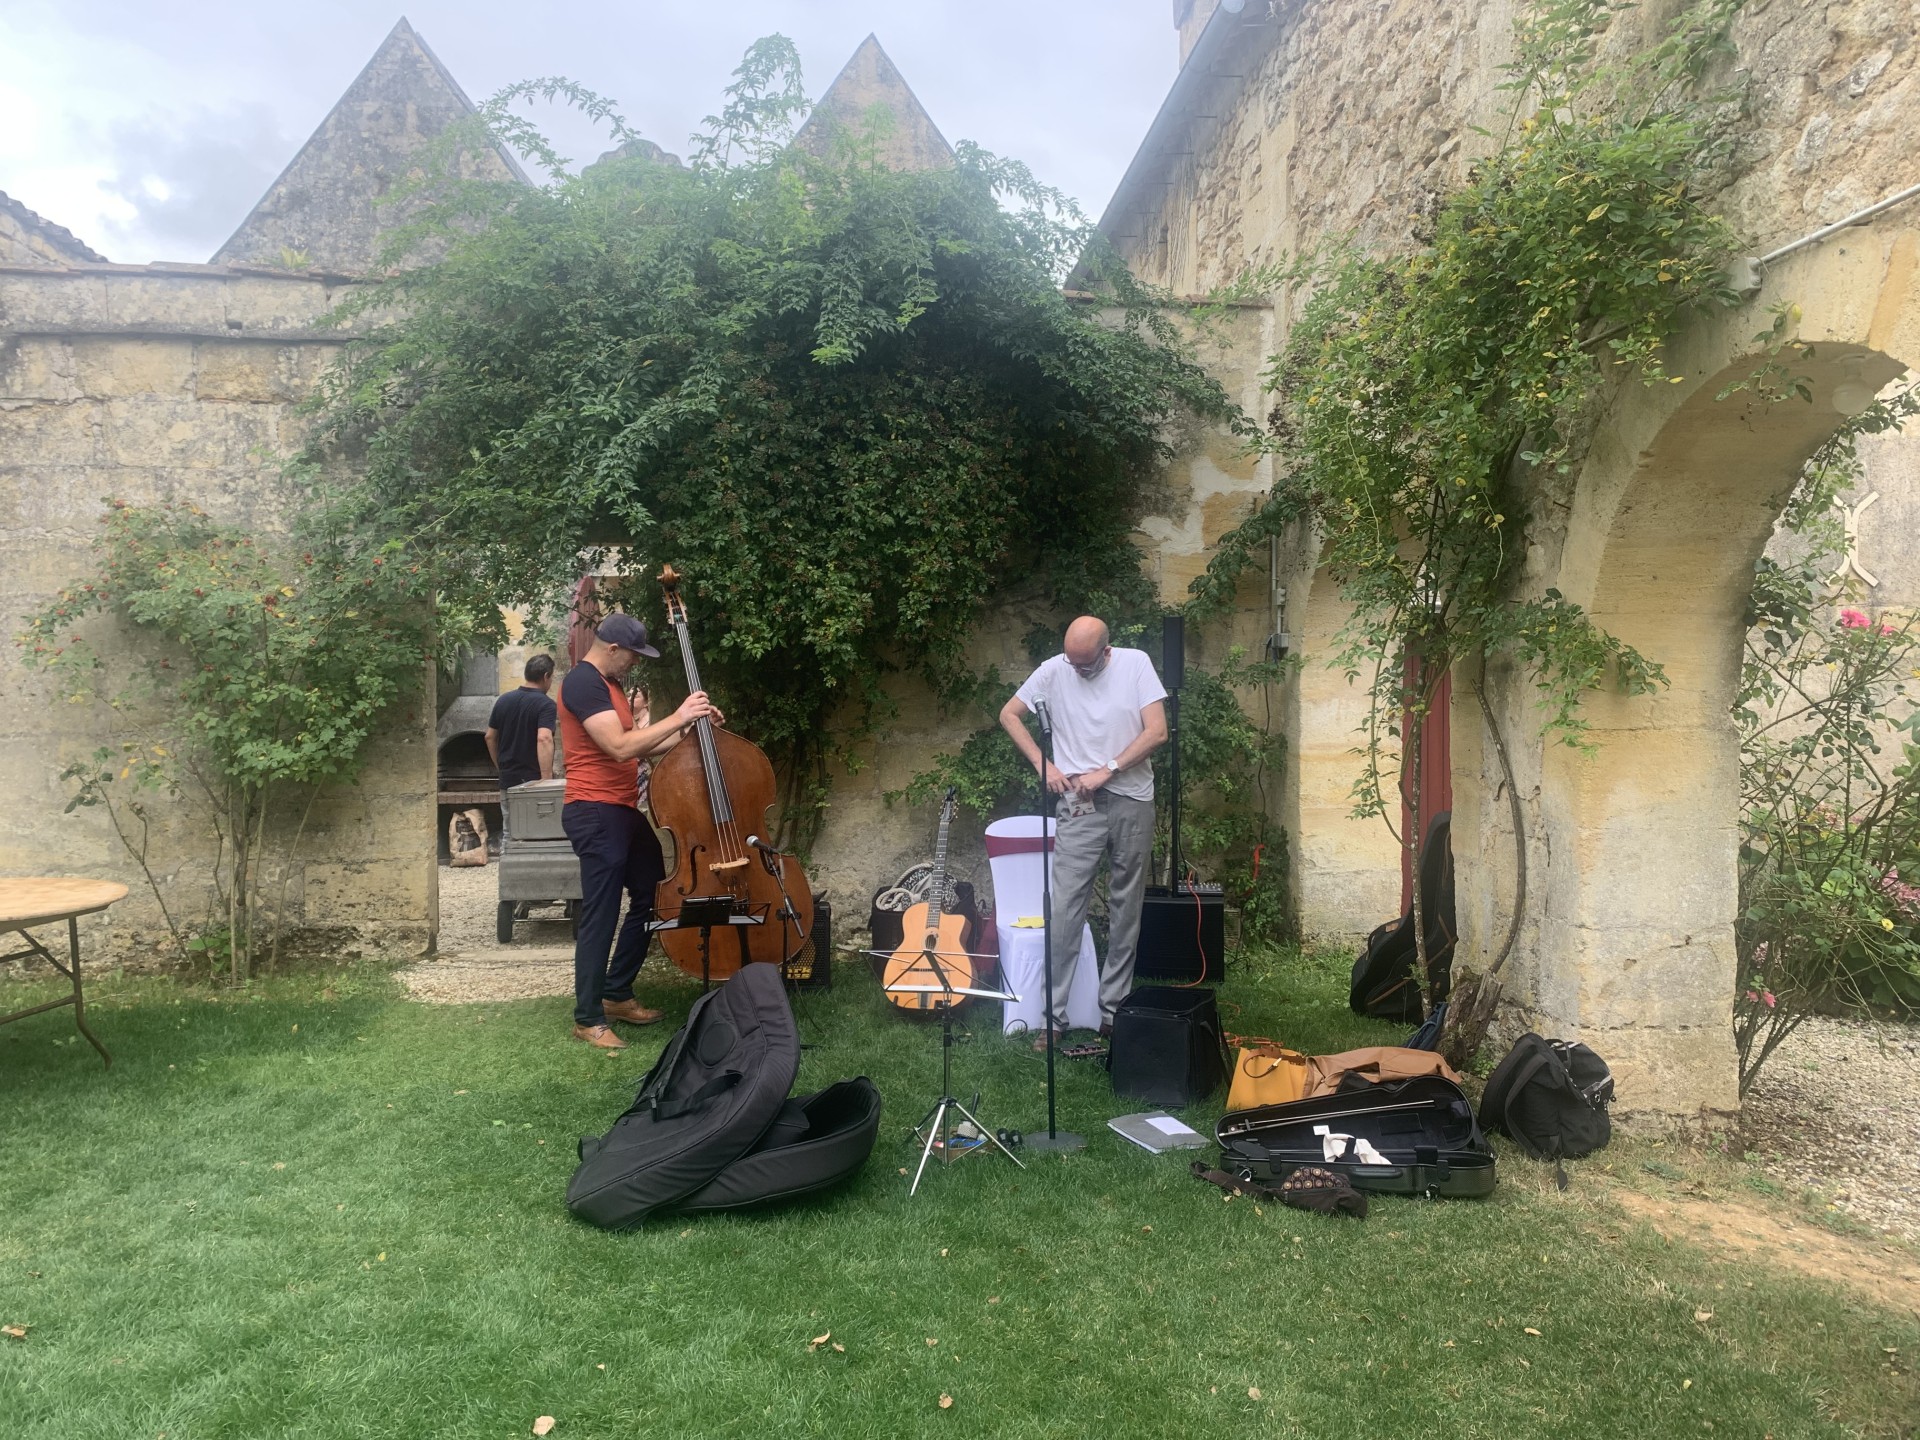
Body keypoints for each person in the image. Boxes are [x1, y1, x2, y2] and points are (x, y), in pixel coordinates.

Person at [999, 616, 1169, 1048]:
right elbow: (1009, 715)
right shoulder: (1054, 668)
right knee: (1065, 908)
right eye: (1071, 662)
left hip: (1132, 799)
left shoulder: (1135, 664)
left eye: (1085, 665)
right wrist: (1045, 766)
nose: (1076, 671)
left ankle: (1113, 1010)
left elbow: (1157, 731)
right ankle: (1052, 1018)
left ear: (1106, 651)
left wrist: (1107, 770)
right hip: (1078, 804)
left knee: (1125, 906)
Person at [558, 613, 720, 1050]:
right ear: (612, 648)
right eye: (633, 655)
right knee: (602, 911)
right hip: (593, 811)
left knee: (652, 894)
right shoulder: (583, 683)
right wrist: (677, 713)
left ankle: (615, 993)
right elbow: (618, 747)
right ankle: (587, 1018)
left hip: (623, 810)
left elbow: (642, 747)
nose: (635, 664)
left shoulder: (611, 688)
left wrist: (691, 726)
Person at [485, 654, 557, 839]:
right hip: (534, 781)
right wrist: (547, 779)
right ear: (546, 676)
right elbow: (544, 738)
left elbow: (490, 737)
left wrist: (501, 767)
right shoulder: (546, 704)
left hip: (508, 780)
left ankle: (508, 868)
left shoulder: (503, 700)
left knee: (510, 833)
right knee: (539, 834)